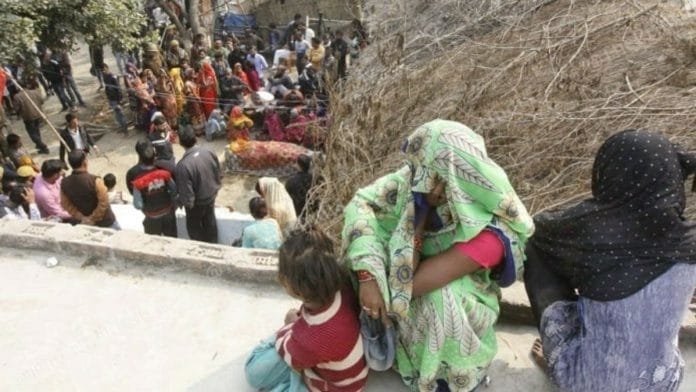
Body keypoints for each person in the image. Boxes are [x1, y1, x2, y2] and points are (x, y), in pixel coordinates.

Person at [342, 120, 534, 391]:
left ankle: (445, 375)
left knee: (442, 300)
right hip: (406, 283)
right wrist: (367, 273)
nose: (415, 174)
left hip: (448, 301)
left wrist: (418, 218)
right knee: (359, 252)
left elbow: (408, 286)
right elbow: (362, 203)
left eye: (424, 167)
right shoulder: (418, 179)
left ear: (452, 177)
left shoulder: (491, 234)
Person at [523, 130, 696, 392]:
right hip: (661, 379)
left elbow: (534, 229)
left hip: (589, 382)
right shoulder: (689, 239)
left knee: (536, 248)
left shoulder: (592, 231)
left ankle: (563, 358)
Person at [245, 228, 368, 392]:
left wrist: (289, 325)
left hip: (331, 386)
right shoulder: (344, 286)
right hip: (348, 373)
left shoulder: (311, 338)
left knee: (254, 372)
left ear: (294, 288)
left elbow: (290, 352)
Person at [175, 126, 221, 243]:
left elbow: (187, 194)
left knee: (194, 228)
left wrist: (187, 204)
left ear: (180, 143)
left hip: (197, 204)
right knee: (210, 222)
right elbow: (219, 173)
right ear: (195, 138)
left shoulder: (183, 166)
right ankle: (214, 246)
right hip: (211, 196)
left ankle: (200, 252)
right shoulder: (209, 151)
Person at [128, 139, 178, 237]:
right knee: (173, 241)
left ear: (138, 154)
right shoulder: (165, 168)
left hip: (151, 217)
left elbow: (138, 204)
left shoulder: (132, 174)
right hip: (168, 213)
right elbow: (174, 191)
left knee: (154, 244)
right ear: (154, 152)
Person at [60, 150, 119, 229]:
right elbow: (104, 202)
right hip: (105, 222)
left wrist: (81, 217)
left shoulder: (64, 183)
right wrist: (93, 218)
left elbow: (65, 204)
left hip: (84, 223)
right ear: (85, 162)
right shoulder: (95, 180)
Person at [12, 80, 49, 154]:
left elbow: (17, 109)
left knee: (32, 134)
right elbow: (42, 101)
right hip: (38, 114)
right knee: (36, 131)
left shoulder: (17, 97)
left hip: (28, 117)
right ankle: (39, 145)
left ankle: (42, 146)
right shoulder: (35, 92)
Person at [102, 64, 128, 135]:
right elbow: (107, 88)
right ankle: (120, 127)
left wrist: (119, 100)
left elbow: (118, 89)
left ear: (107, 68)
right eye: (103, 70)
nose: (104, 71)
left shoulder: (113, 77)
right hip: (111, 98)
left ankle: (125, 129)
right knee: (116, 114)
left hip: (116, 99)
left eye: (104, 69)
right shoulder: (105, 76)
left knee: (120, 114)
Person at [284, 154, 313, 218]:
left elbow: (286, 197)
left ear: (298, 165)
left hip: (296, 211)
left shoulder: (291, 181)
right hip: (312, 210)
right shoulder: (315, 178)